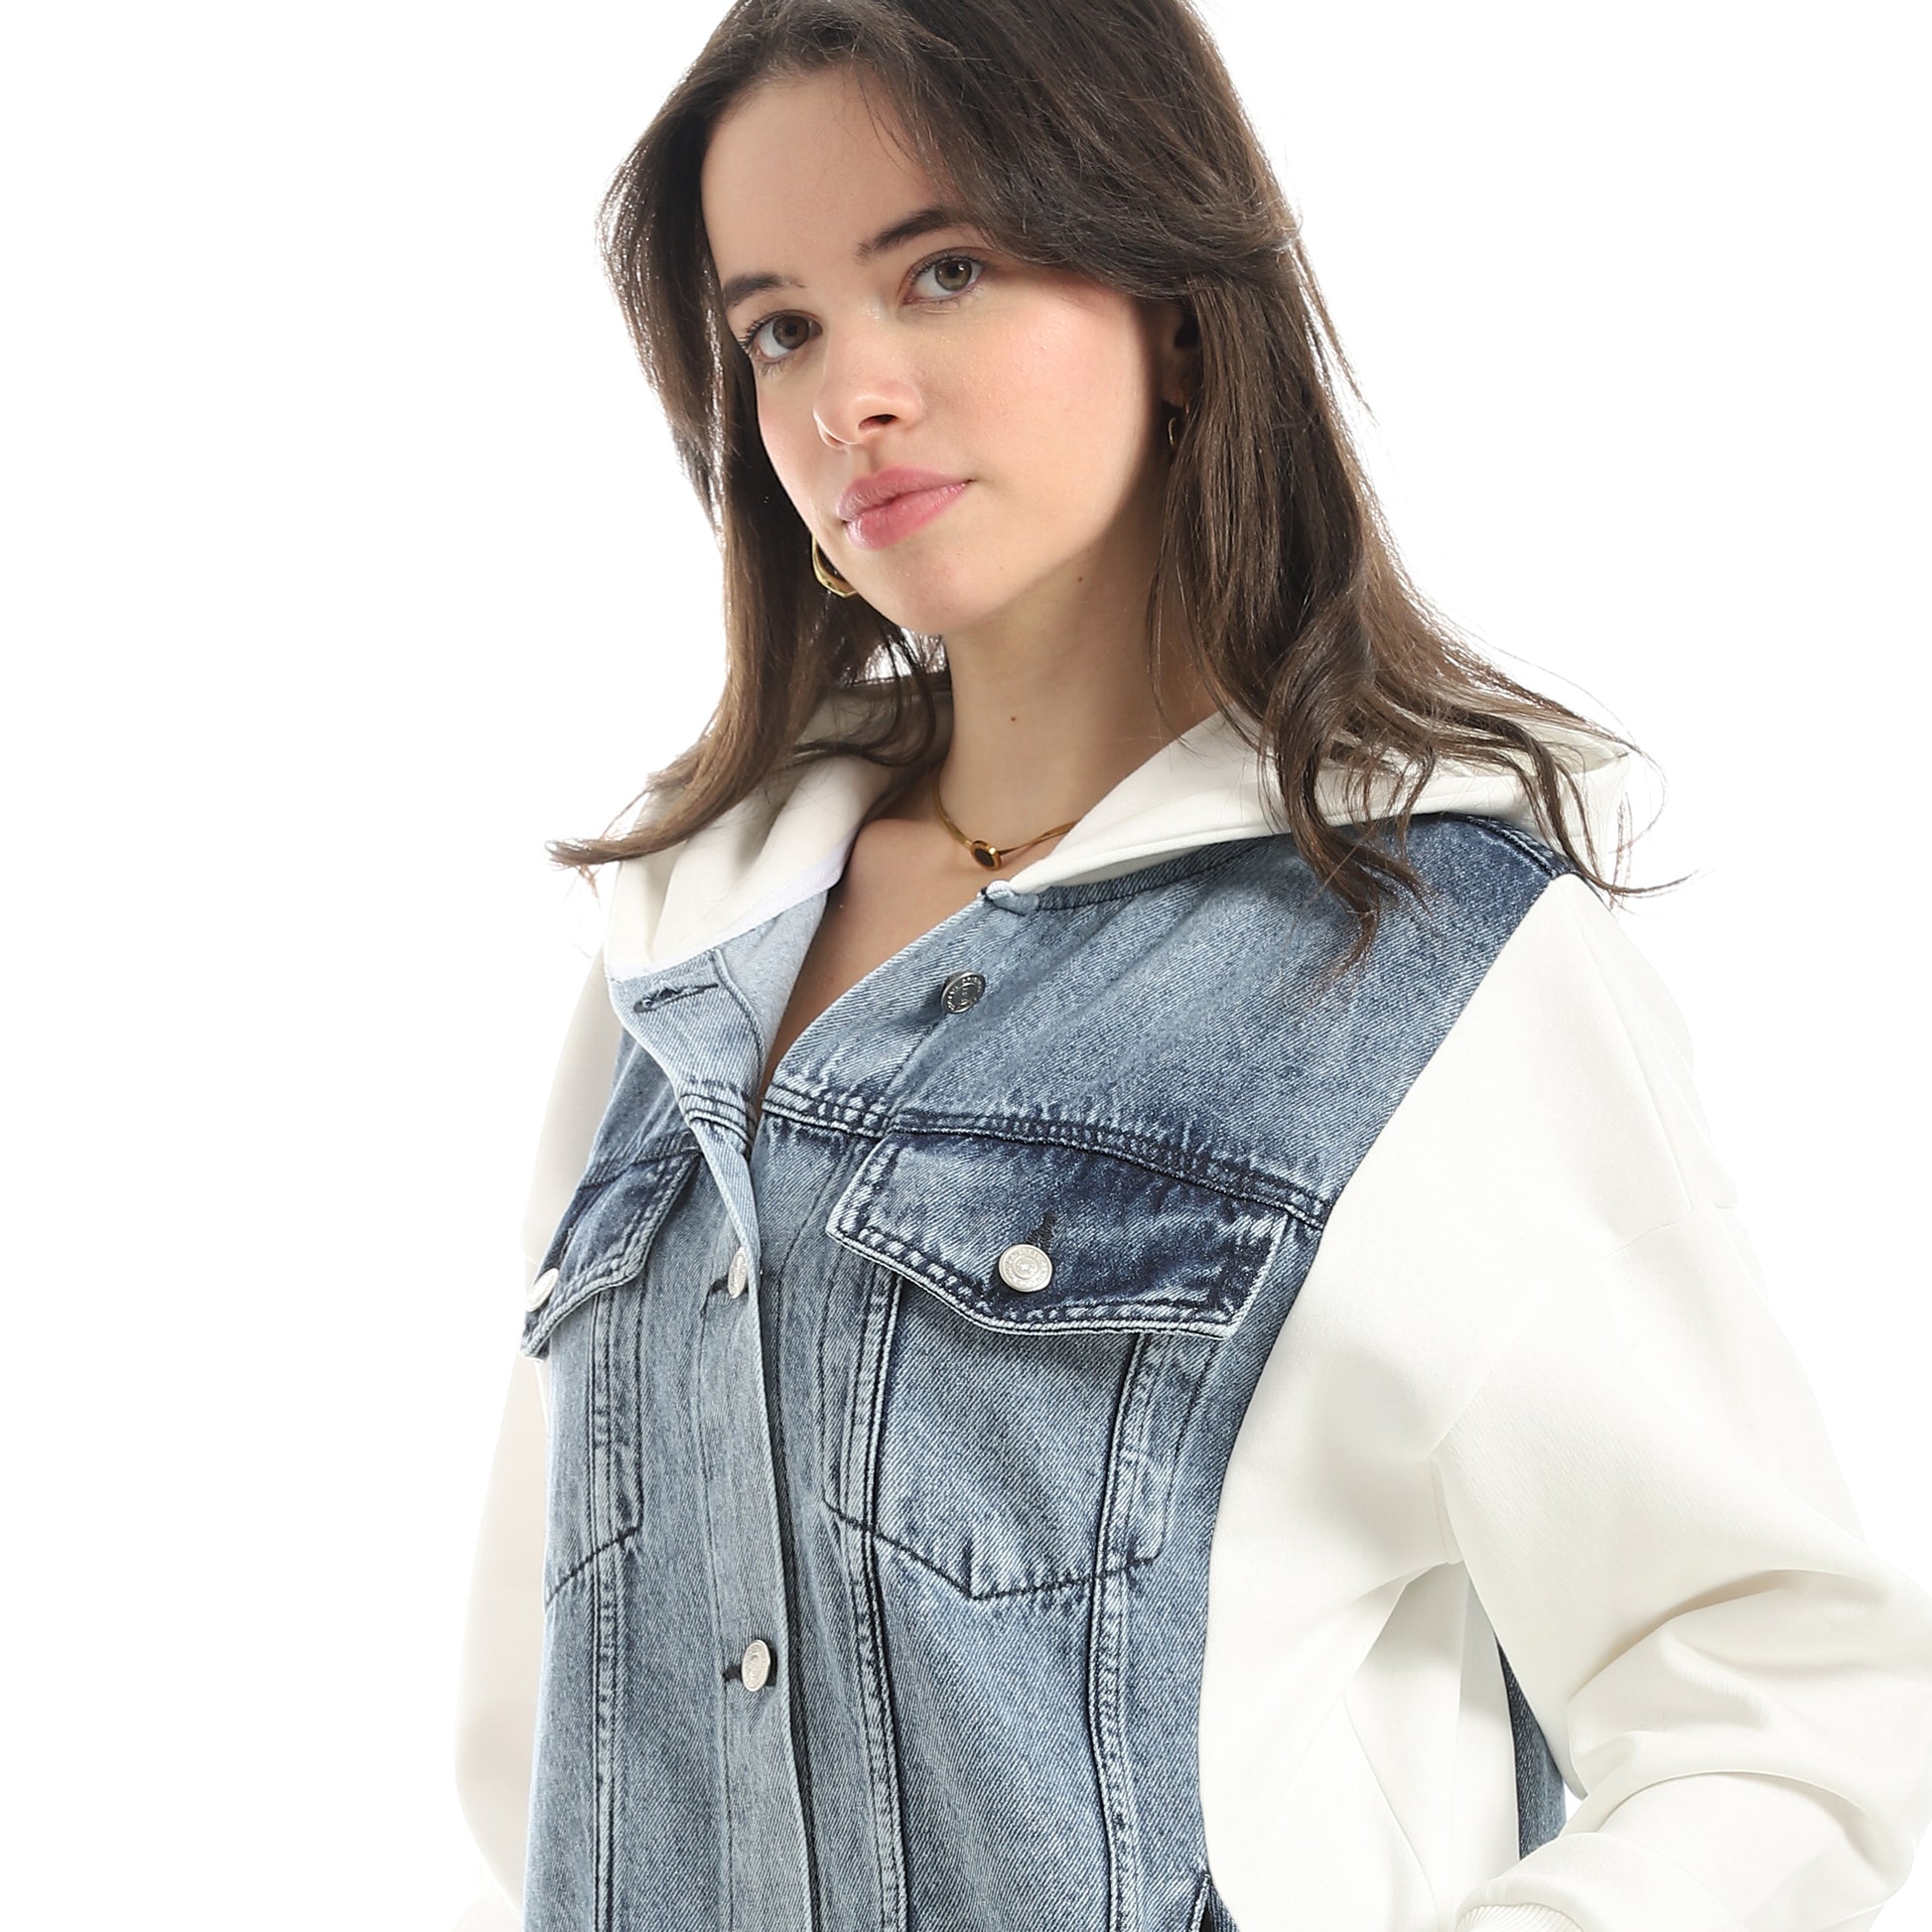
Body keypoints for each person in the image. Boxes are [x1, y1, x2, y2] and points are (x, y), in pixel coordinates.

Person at [452, 3, 1932, 1927]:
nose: (847, 398)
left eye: (944, 271)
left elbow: (1787, 1713)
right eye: (781, 328)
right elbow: (533, 1729)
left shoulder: (1415, 965)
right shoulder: (683, 954)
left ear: (1165, 294)